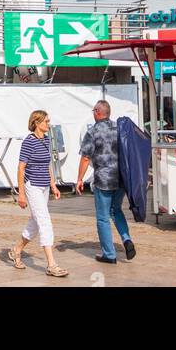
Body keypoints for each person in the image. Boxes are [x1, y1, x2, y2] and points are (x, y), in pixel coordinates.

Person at [8, 110, 68, 278]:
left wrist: (53, 185)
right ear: (37, 123)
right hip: (32, 185)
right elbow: (21, 168)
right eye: (46, 121)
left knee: (35, 222)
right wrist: (21, 194)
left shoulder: (47, 140)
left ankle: (16, 250)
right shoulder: (29, 142)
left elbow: (47, 164)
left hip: (44, 186)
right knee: (45, 221)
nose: (49, 124)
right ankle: (51, 265)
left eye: (49, 121)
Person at [76, 99, 135, 264]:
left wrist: (80, 179)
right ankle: (126, 239)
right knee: (116, 210)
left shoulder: (93, 131)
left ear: (97, 112)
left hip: (104, 179)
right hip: (121, 178)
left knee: (102, 217)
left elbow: (86, 158)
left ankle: (109, 254)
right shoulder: (119, 128)